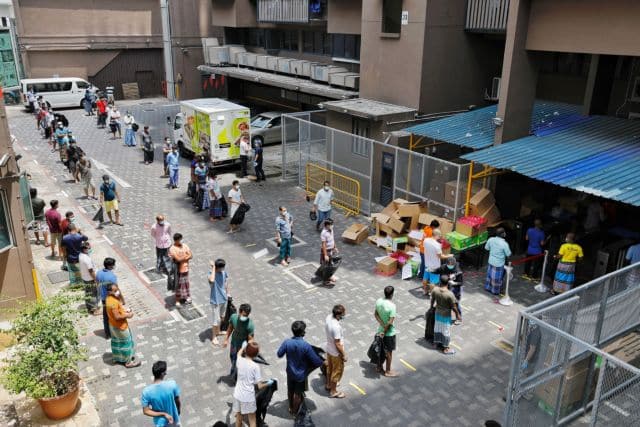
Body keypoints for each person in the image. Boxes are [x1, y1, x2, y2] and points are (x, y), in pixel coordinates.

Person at [277, 320, 324, 416]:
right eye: (304, 330)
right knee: (297, 394)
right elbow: (317, 362)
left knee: (290, 390)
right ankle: (294, 412)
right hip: (301, 375)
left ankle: (290, 406)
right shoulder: (306, 346)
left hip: (290, 372)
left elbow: (279, 354)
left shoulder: (287, 342)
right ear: (302, 332)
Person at [234, 342, 272, 427]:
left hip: (238, 394)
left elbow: (238, 353)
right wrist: (270, 382)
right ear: (255, 355)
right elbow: (260, 386)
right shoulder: (255, 366)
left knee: (239, 418)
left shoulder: (239, 360)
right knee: (252, 420)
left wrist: (243, 346)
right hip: (248, 396)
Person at [105, 283, 141, 368]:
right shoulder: (113, 302)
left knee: (117, 342)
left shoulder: (108, 298)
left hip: (112, 325)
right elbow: (117, 316)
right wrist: (128, 315)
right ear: (110, 292)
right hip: (120, 327)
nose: (117, 292)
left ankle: (117, 358)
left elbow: (120, 307)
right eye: (115, 291)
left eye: (117, 289)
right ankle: (128, 362)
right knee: (126, 343)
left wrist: (124, 311)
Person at [141, 361, 181, 427]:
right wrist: (178, 411)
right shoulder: (172, 384)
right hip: (174, 420)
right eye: (165, 371)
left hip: (160, 424)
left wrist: (163, 414)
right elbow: (177, 401)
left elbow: (146, 411)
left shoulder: (146, 392)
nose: (166, 373)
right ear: (163, 374)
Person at [430, 274, 461, 355]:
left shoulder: (435, 290)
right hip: (446, 315)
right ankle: (446, 348)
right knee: (446, 331)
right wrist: (457, 314)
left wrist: (431, 308)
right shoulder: (450, 294)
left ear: (440, 282)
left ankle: (436, 343)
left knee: (437, 328)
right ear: (448, 283)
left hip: (437, 313)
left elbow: (432, 300)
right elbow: (454, 307)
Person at [223, 303, 255, 377]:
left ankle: (235, 375)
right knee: (232, 357)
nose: (245, 317)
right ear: (239, 312)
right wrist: (226, 339)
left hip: (242, 347)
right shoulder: (234, 317)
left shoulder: (250, 325)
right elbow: (230, 329)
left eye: (247, 315)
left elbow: (251, 340)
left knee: (238, 362)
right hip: (234, 344)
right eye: (243, 315)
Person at [374, 286, 397, 377]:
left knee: (380, 351)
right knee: (389, 353)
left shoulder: (379, 301)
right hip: (389, 333)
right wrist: (384, 330)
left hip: (379, 330)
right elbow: (390, 322)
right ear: (392, 294)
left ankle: (379, 367)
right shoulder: (392, 306)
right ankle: (388, 371)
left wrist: (382, 325)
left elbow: (375, 315)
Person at [324, 304, 347, 398]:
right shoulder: (336, 327)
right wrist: (344, 354)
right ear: (338, 315)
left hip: (329, 349)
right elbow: (337, 344)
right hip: (336, 353)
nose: (344, 315)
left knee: (330, 368)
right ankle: (333, 391)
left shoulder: (329, 317)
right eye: (343, 313)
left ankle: (328, 384)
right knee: (336, 372)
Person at [422, 229, 453, 296]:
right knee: (433, 282)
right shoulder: (437, 245)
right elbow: (440, 256)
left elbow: (424, 240)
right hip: (435, 266)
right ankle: (431, 293)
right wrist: (448, 255)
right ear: (436, 235)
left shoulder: (426, 240)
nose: (440, 237)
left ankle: (424, 290)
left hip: (427, 264)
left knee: (425, 278)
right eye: (439, 235)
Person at [435, 257, 464, 323]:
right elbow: (437, 271)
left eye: (451, 265)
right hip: (444, 289)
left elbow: (461, 283)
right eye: (448, 265)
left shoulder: (458, 271)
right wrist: (431, 270)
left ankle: (459, 318)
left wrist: (454, 283)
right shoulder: (443, 267)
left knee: (455, 304)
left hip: (455, 290)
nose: (449, 266)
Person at [484, 228, 512, 296]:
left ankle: (488, 287)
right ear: (502, 234)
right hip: (499, 264)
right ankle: (495, 291)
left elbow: (486, 248)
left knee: (489, 275)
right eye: (504, 232)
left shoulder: (491, 239)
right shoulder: (504, 244)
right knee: (497, 278)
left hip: (491, 261)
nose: (505, 233)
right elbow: (508, 254)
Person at [209, 259, 229, 346]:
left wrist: (228, 293)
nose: (223, 269)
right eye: (222, 268)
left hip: (224, 299)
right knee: (215, 320)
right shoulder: (211, 274)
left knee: (222, 317)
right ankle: (214, 337)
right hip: (216, 301)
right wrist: (213, 268)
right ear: (217, 268)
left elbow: (226, 283)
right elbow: (212, 280)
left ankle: (218, 331)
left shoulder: (224, 272)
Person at [168, 233, 192, 306]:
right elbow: (178, 259)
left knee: (186, 284)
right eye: (179, 240)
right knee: (178, 285)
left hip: (185, 268)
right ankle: (177, 300)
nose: (180, 241)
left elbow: (191, 255)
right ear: (176, 240)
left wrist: (183, 258)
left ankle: (186, 296)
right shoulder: (172, 248)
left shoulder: (184, 245)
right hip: (177, 270)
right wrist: (186, 256)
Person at [96, 257, 118, 339]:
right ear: (110, 266)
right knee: (113, 316)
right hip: (111, 299)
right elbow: (115, 289)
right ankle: (114, 333)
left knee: (105, 316)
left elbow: (97, 283)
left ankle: (107, 333)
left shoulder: (98, 273)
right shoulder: (112, 276)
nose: (114, 266)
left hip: (103, 299)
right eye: (113, 265)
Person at [79, 241, 100, 315]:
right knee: (94, 294)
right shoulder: (86, 259)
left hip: (85, 278)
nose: (90, 249)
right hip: (90, 279)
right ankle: (94, 310)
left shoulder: (81, 255)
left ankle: (89, 307)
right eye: (89, 248)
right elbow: (91, 271)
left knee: (88, 293)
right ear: (85, 249)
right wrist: (96, 279)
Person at [320, 218, 338, 285]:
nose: (332, 225)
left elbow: (332, 239)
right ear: (327, 225)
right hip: (326, 251)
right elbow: (324, 245)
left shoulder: (331, 230)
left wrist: (335, 247)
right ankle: (325, 281)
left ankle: (330, 276)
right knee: (326, 266)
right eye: (331, 224)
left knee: (330, 264)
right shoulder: (323, 233)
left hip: (330, 250)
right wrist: (325, 255)